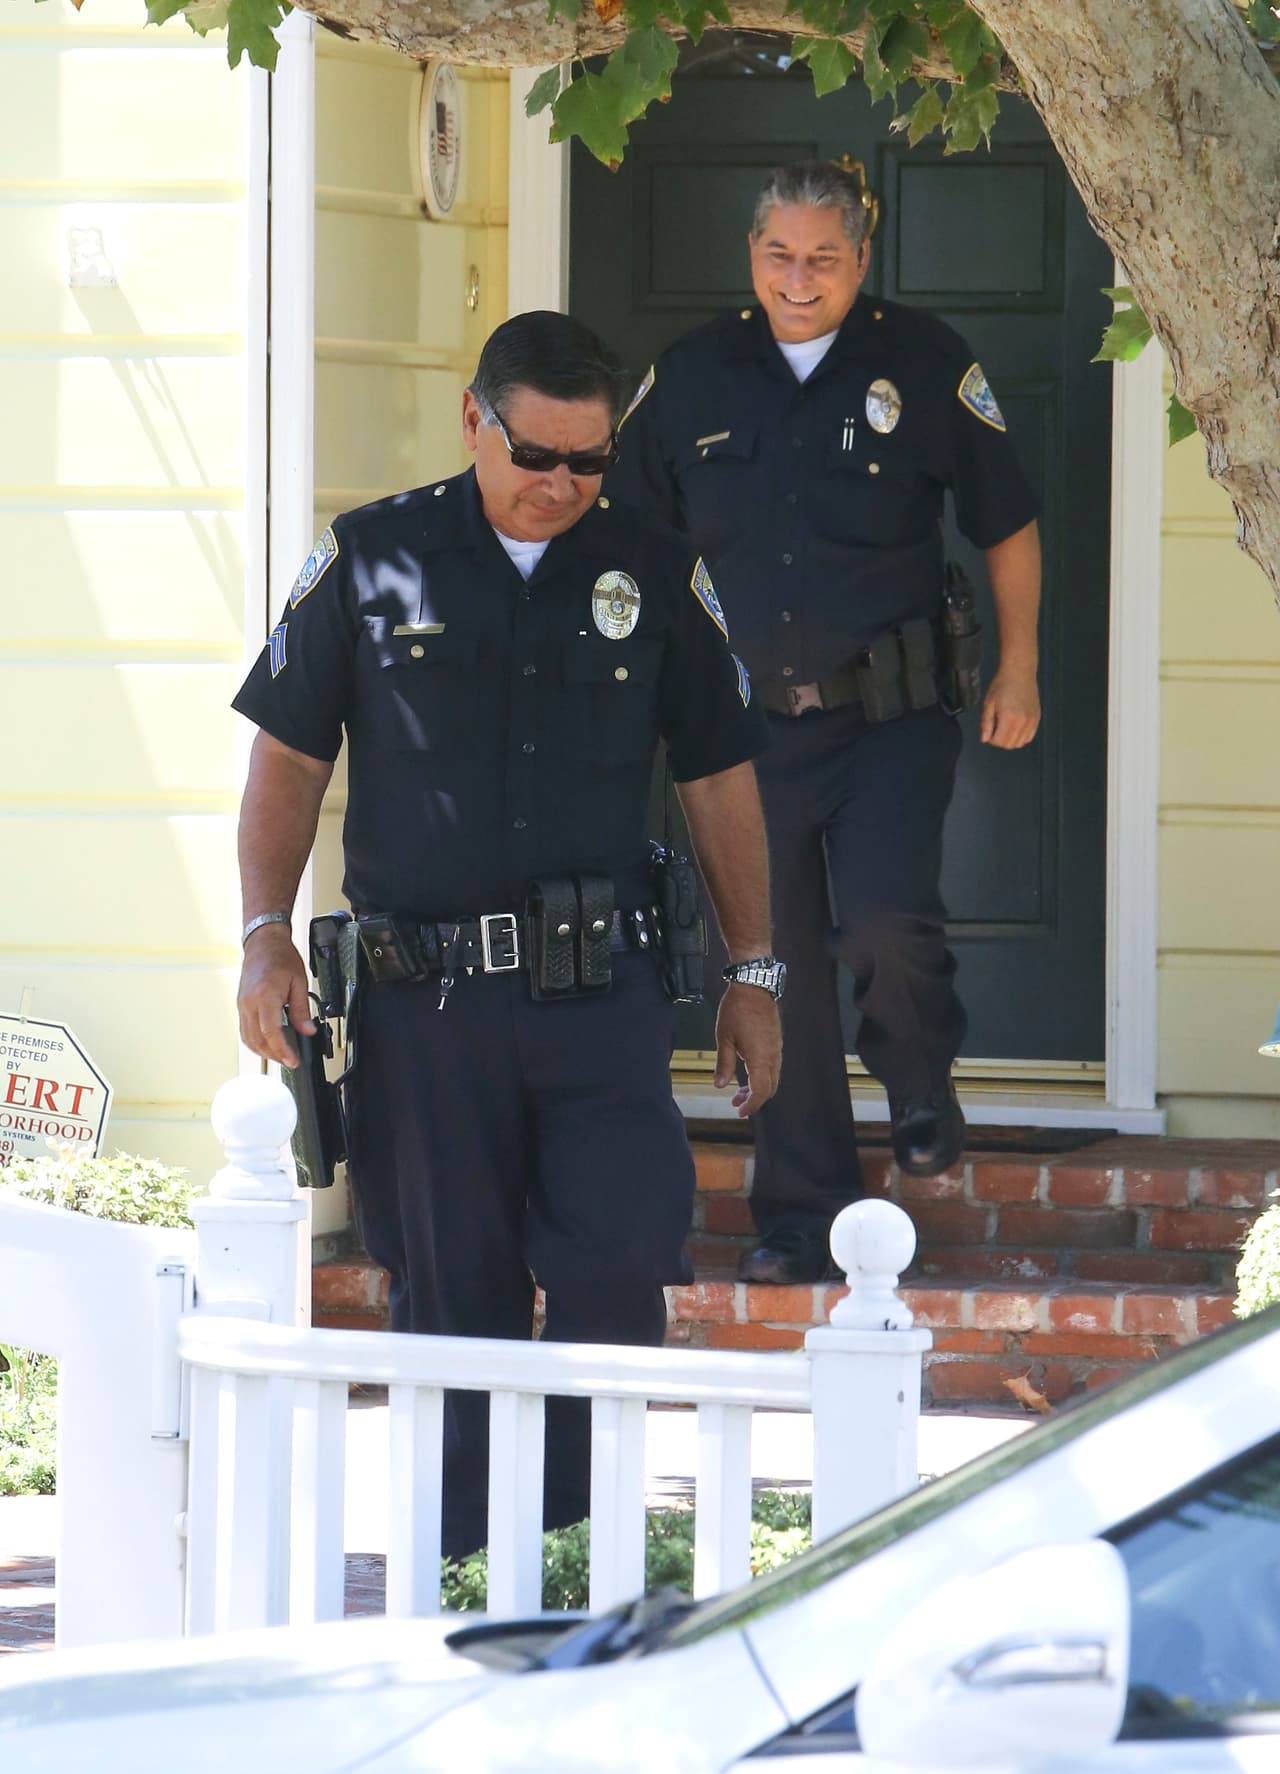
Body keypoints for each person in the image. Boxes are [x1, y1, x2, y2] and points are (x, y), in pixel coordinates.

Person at [232, 311, 783, 1558]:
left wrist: (754, 973)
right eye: (536, 453)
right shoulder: (372, 556)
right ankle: (466, 1570)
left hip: (599, 1001)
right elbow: (288, 753)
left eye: (588, 463)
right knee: (449, 1300)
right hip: (425, 1007)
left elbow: (716, 777)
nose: (560, 486)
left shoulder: (650, 565)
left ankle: (578, 1554)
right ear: (473, 417)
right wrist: (264, 929)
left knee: (617, 1258)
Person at [609, 160, 1042, 1286]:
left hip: (887, 719)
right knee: (771, 967)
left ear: (862, 255)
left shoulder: (925, 362)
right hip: (741, 738)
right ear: (749, 253)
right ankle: (799, 1215)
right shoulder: (691, 378)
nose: (797, 281)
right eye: (776, 255)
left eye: (822, 258)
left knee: (890, 921)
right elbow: (628, 548)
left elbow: (1004, 520)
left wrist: (1020, 665)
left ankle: (916, 1076)